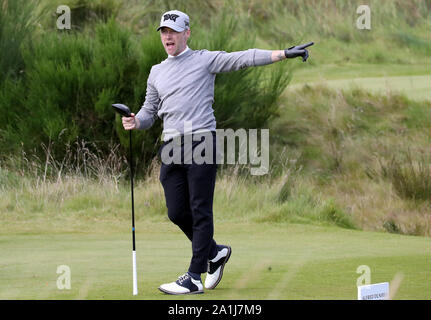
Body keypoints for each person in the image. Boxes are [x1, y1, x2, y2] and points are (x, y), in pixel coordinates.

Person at [121, 9, 313, 295]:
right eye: (164, 31)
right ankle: (215, 253)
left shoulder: (204, 60)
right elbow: (150, 112)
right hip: (171, 147)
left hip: (201, 142)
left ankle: (194, 276)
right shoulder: (156, 72)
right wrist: (136, 121)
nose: (168, 36)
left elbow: (243, 57)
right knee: (176, 212)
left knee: (200, 210)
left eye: (173, 31)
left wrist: (283, 53)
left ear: (187, 33)